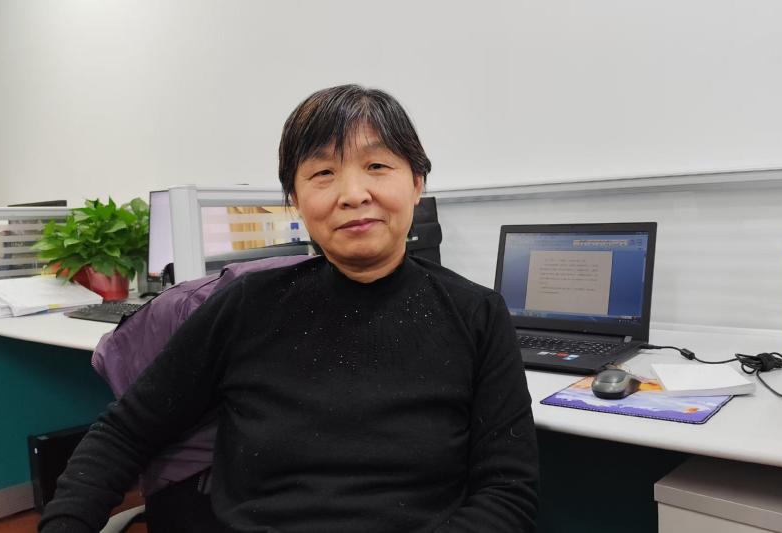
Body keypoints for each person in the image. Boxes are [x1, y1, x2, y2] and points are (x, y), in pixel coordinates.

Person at [39, 84, 539, 533]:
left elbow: (506, 492)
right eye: (323, 173)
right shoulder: (246, 304)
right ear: (295, 199)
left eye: (377, 166)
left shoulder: (475, 314)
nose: (353, 194)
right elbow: (125, 433)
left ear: (416, 183)